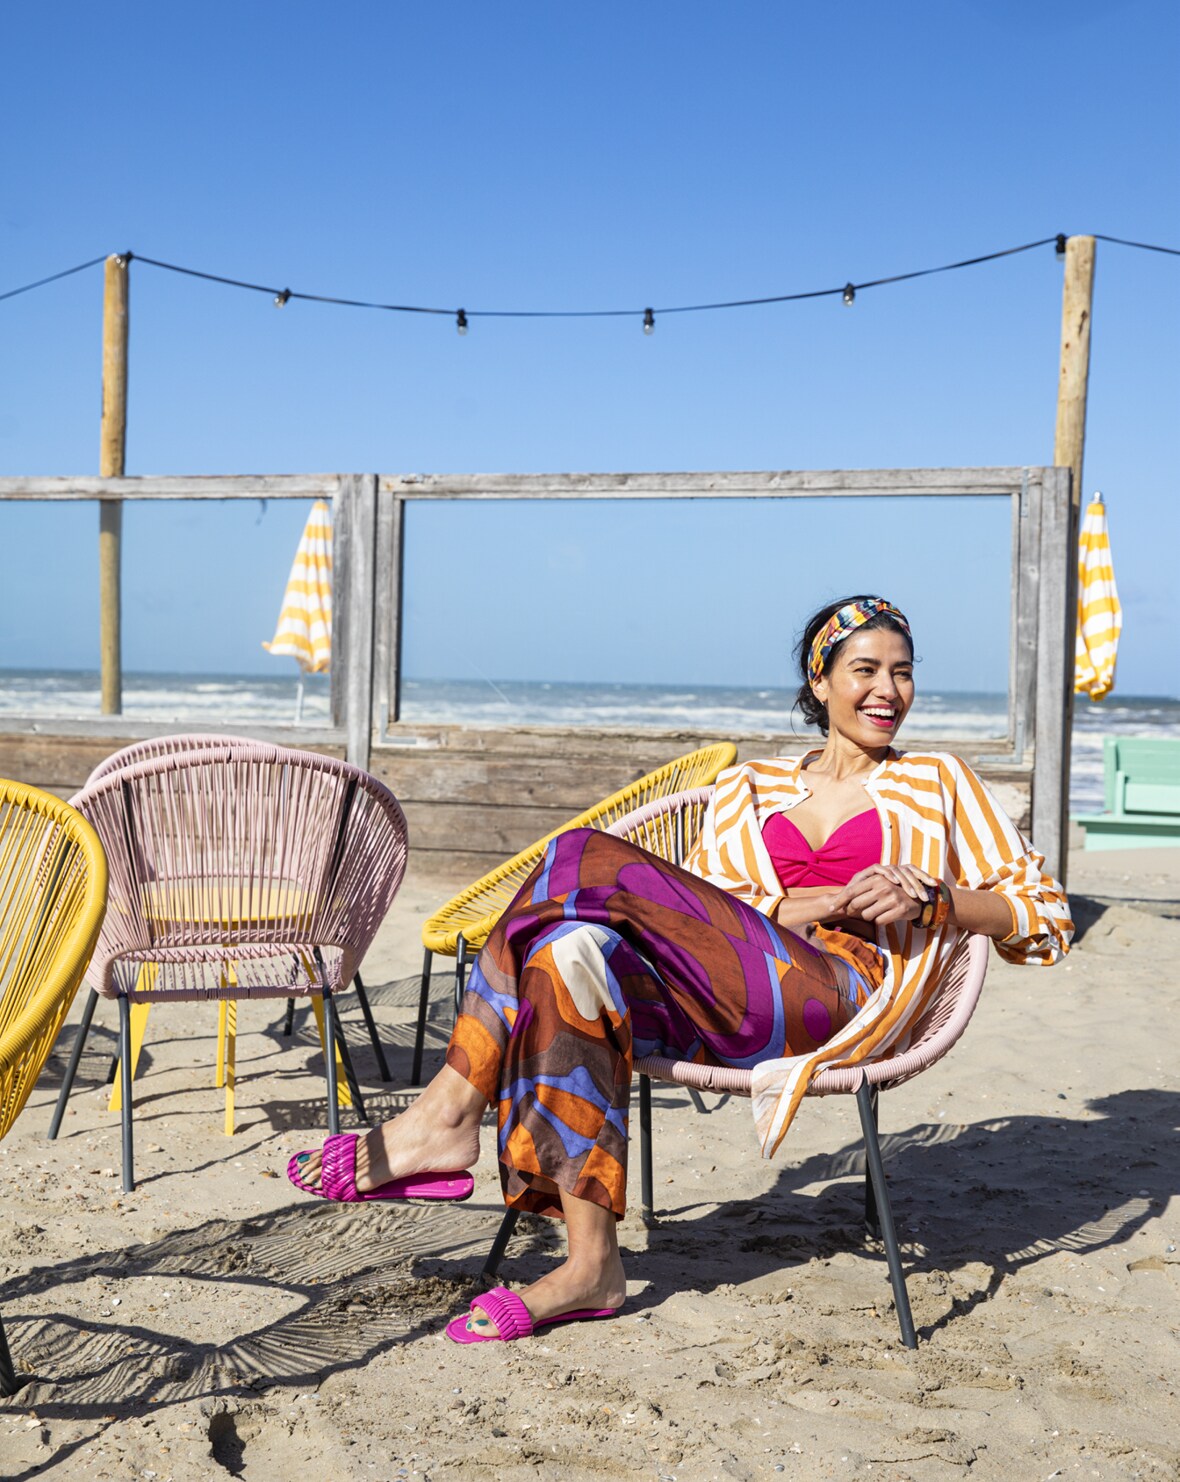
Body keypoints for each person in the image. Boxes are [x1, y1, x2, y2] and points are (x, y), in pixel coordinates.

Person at [289, 595, 1073, 1344]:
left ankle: (445, 1116)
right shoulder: (749, 786)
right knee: (568, 960)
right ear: (819, 679)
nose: (887, 690)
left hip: (840, 995)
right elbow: (710, 914)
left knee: (579, 854)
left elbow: (1045, 916)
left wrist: (936, 898)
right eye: (864, 669)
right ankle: (591, 1264)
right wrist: (827, 896)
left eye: (902, 671)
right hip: (722, 993)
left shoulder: (937, 779)